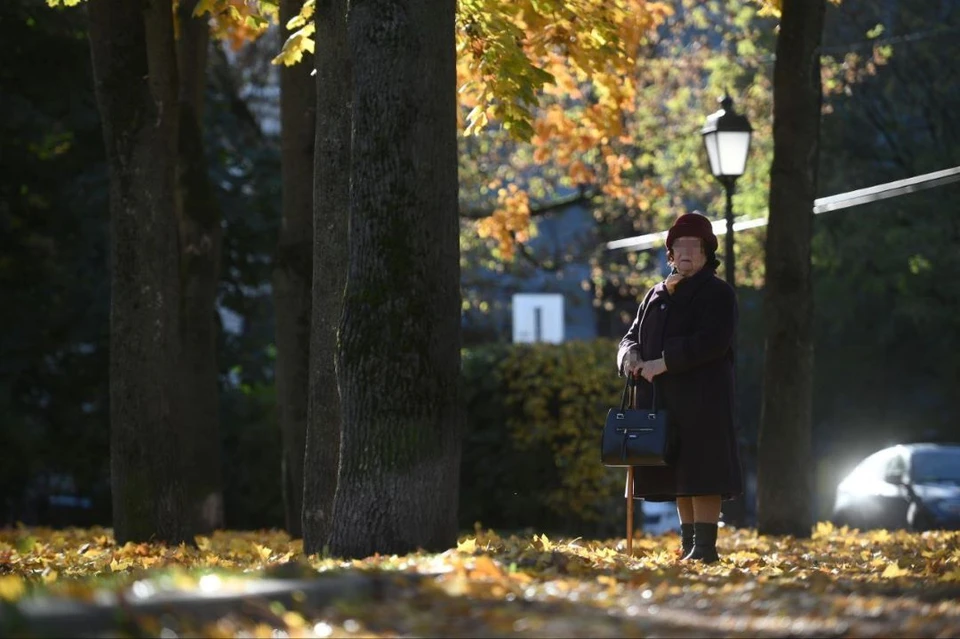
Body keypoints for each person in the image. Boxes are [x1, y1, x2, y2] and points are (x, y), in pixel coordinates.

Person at [616, 211, 743, 564]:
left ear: (706, 253)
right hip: (662, 403)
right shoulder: (655, 295)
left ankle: (705, 549)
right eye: (679, 246)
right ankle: (690, 547)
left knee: (704, 473)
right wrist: (629, 356)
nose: (686, 252)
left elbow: (713, 342)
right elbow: (630, 337)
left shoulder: (717, 293)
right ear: (670, 254)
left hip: (704, 402)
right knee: (679, 475)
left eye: (694, 246)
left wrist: (664, 362)